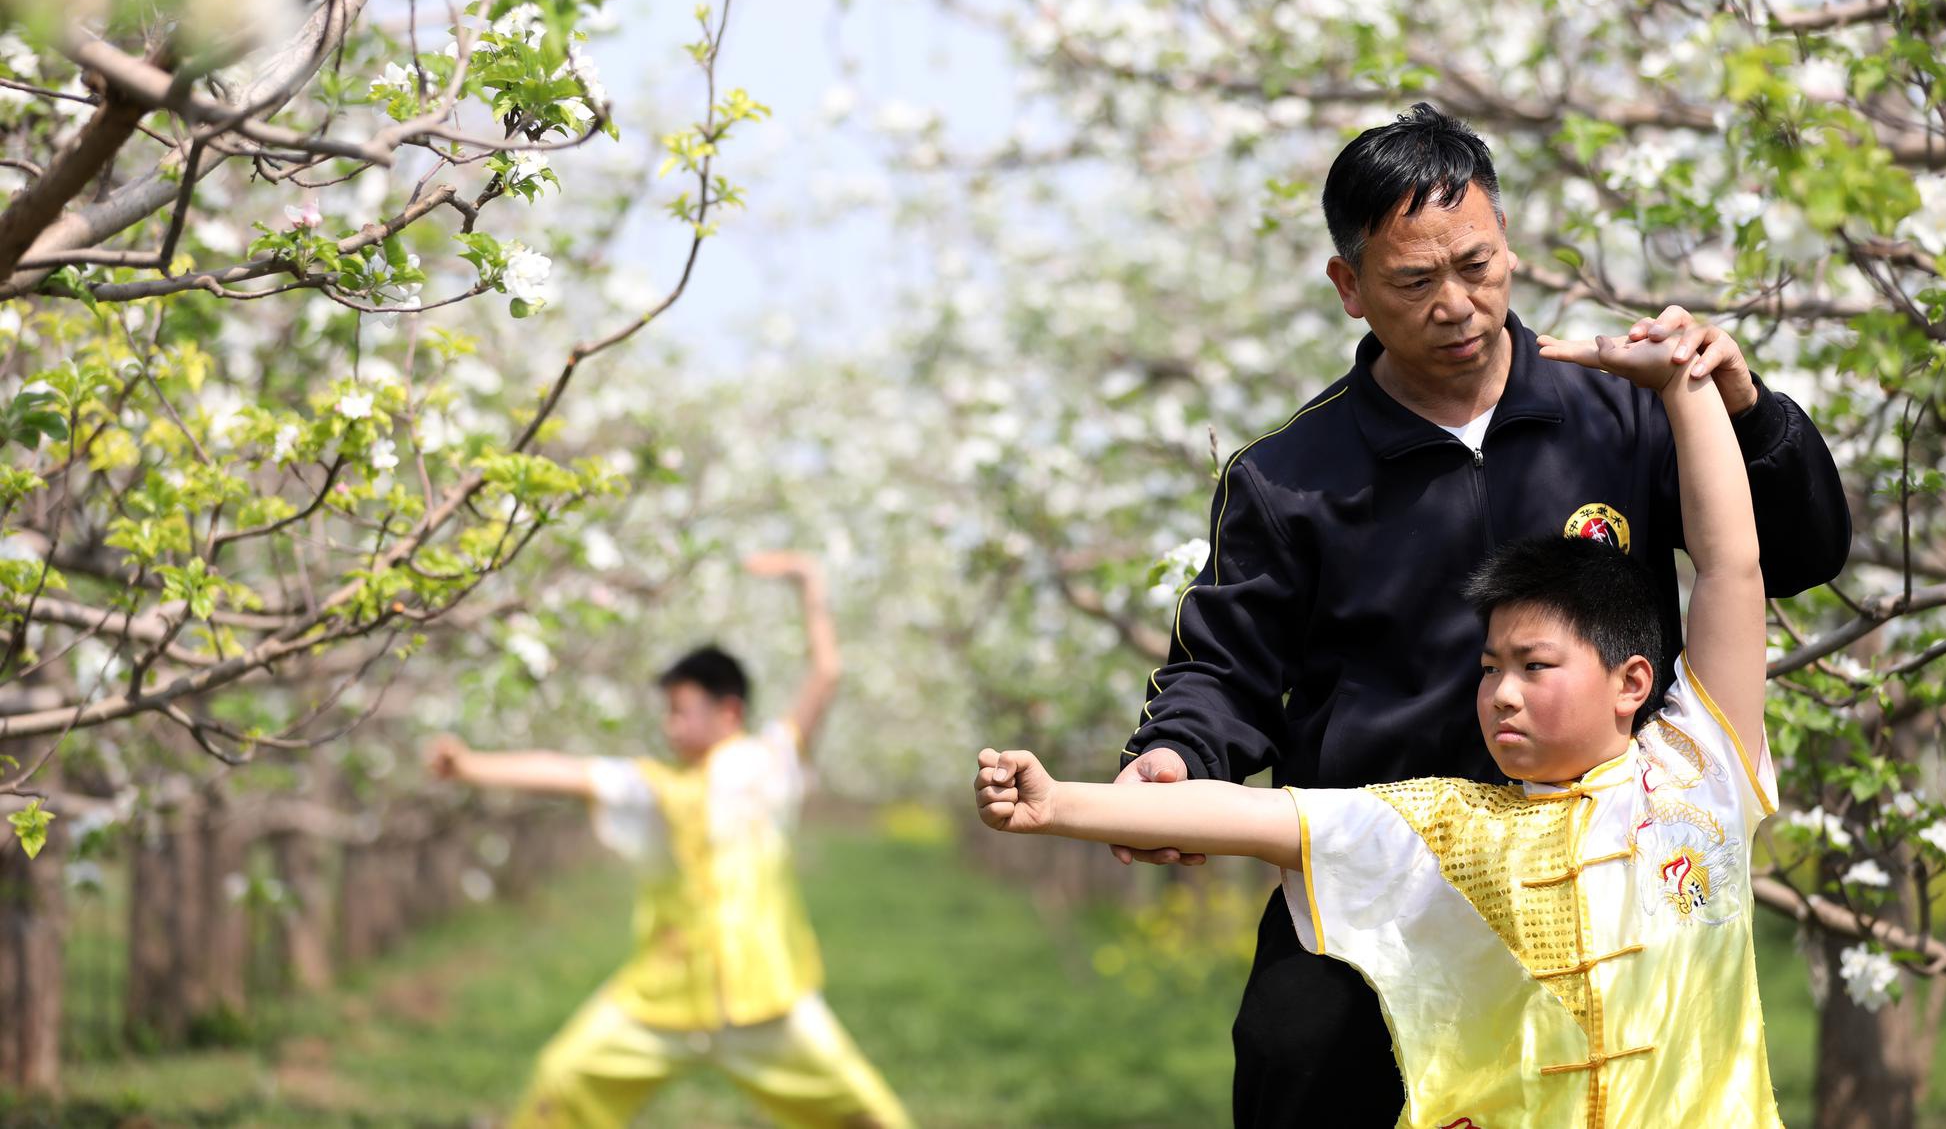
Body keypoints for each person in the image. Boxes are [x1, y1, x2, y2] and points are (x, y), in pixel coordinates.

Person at [1113, 102, 1848, 1126]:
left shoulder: (1621, 412)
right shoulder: (1290, 481)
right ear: (1349, 288)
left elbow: (1796, 557)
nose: (1456, 305)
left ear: (1510, 247)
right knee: (1295, 1058)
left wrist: (1743, 408)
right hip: (1390, 887)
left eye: (1478, 266)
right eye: (1414, 282)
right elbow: (1222, 671)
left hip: (1597, 880)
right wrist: (1175, 758)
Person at [983, 324, 1782, 1127]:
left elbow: (1730, 565)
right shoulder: (1450, 827)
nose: (1502, 692)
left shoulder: (1695, 771)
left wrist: (1685, 383)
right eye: (1488, 667)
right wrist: (1057, 804)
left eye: (1535, 666)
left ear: (1632, 682)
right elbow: (1264, 816)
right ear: (1351, 285)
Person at [426, 552, 911, 1129]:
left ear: (728, 711)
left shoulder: (769, 765)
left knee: (863, 1109)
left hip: (766, 1000)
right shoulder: (656, 788)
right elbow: (568, 771)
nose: (669, 726)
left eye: (681, 711)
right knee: (564, 1078)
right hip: (664, 997)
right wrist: (471, 767)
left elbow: (825, 677)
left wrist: (811, 585)